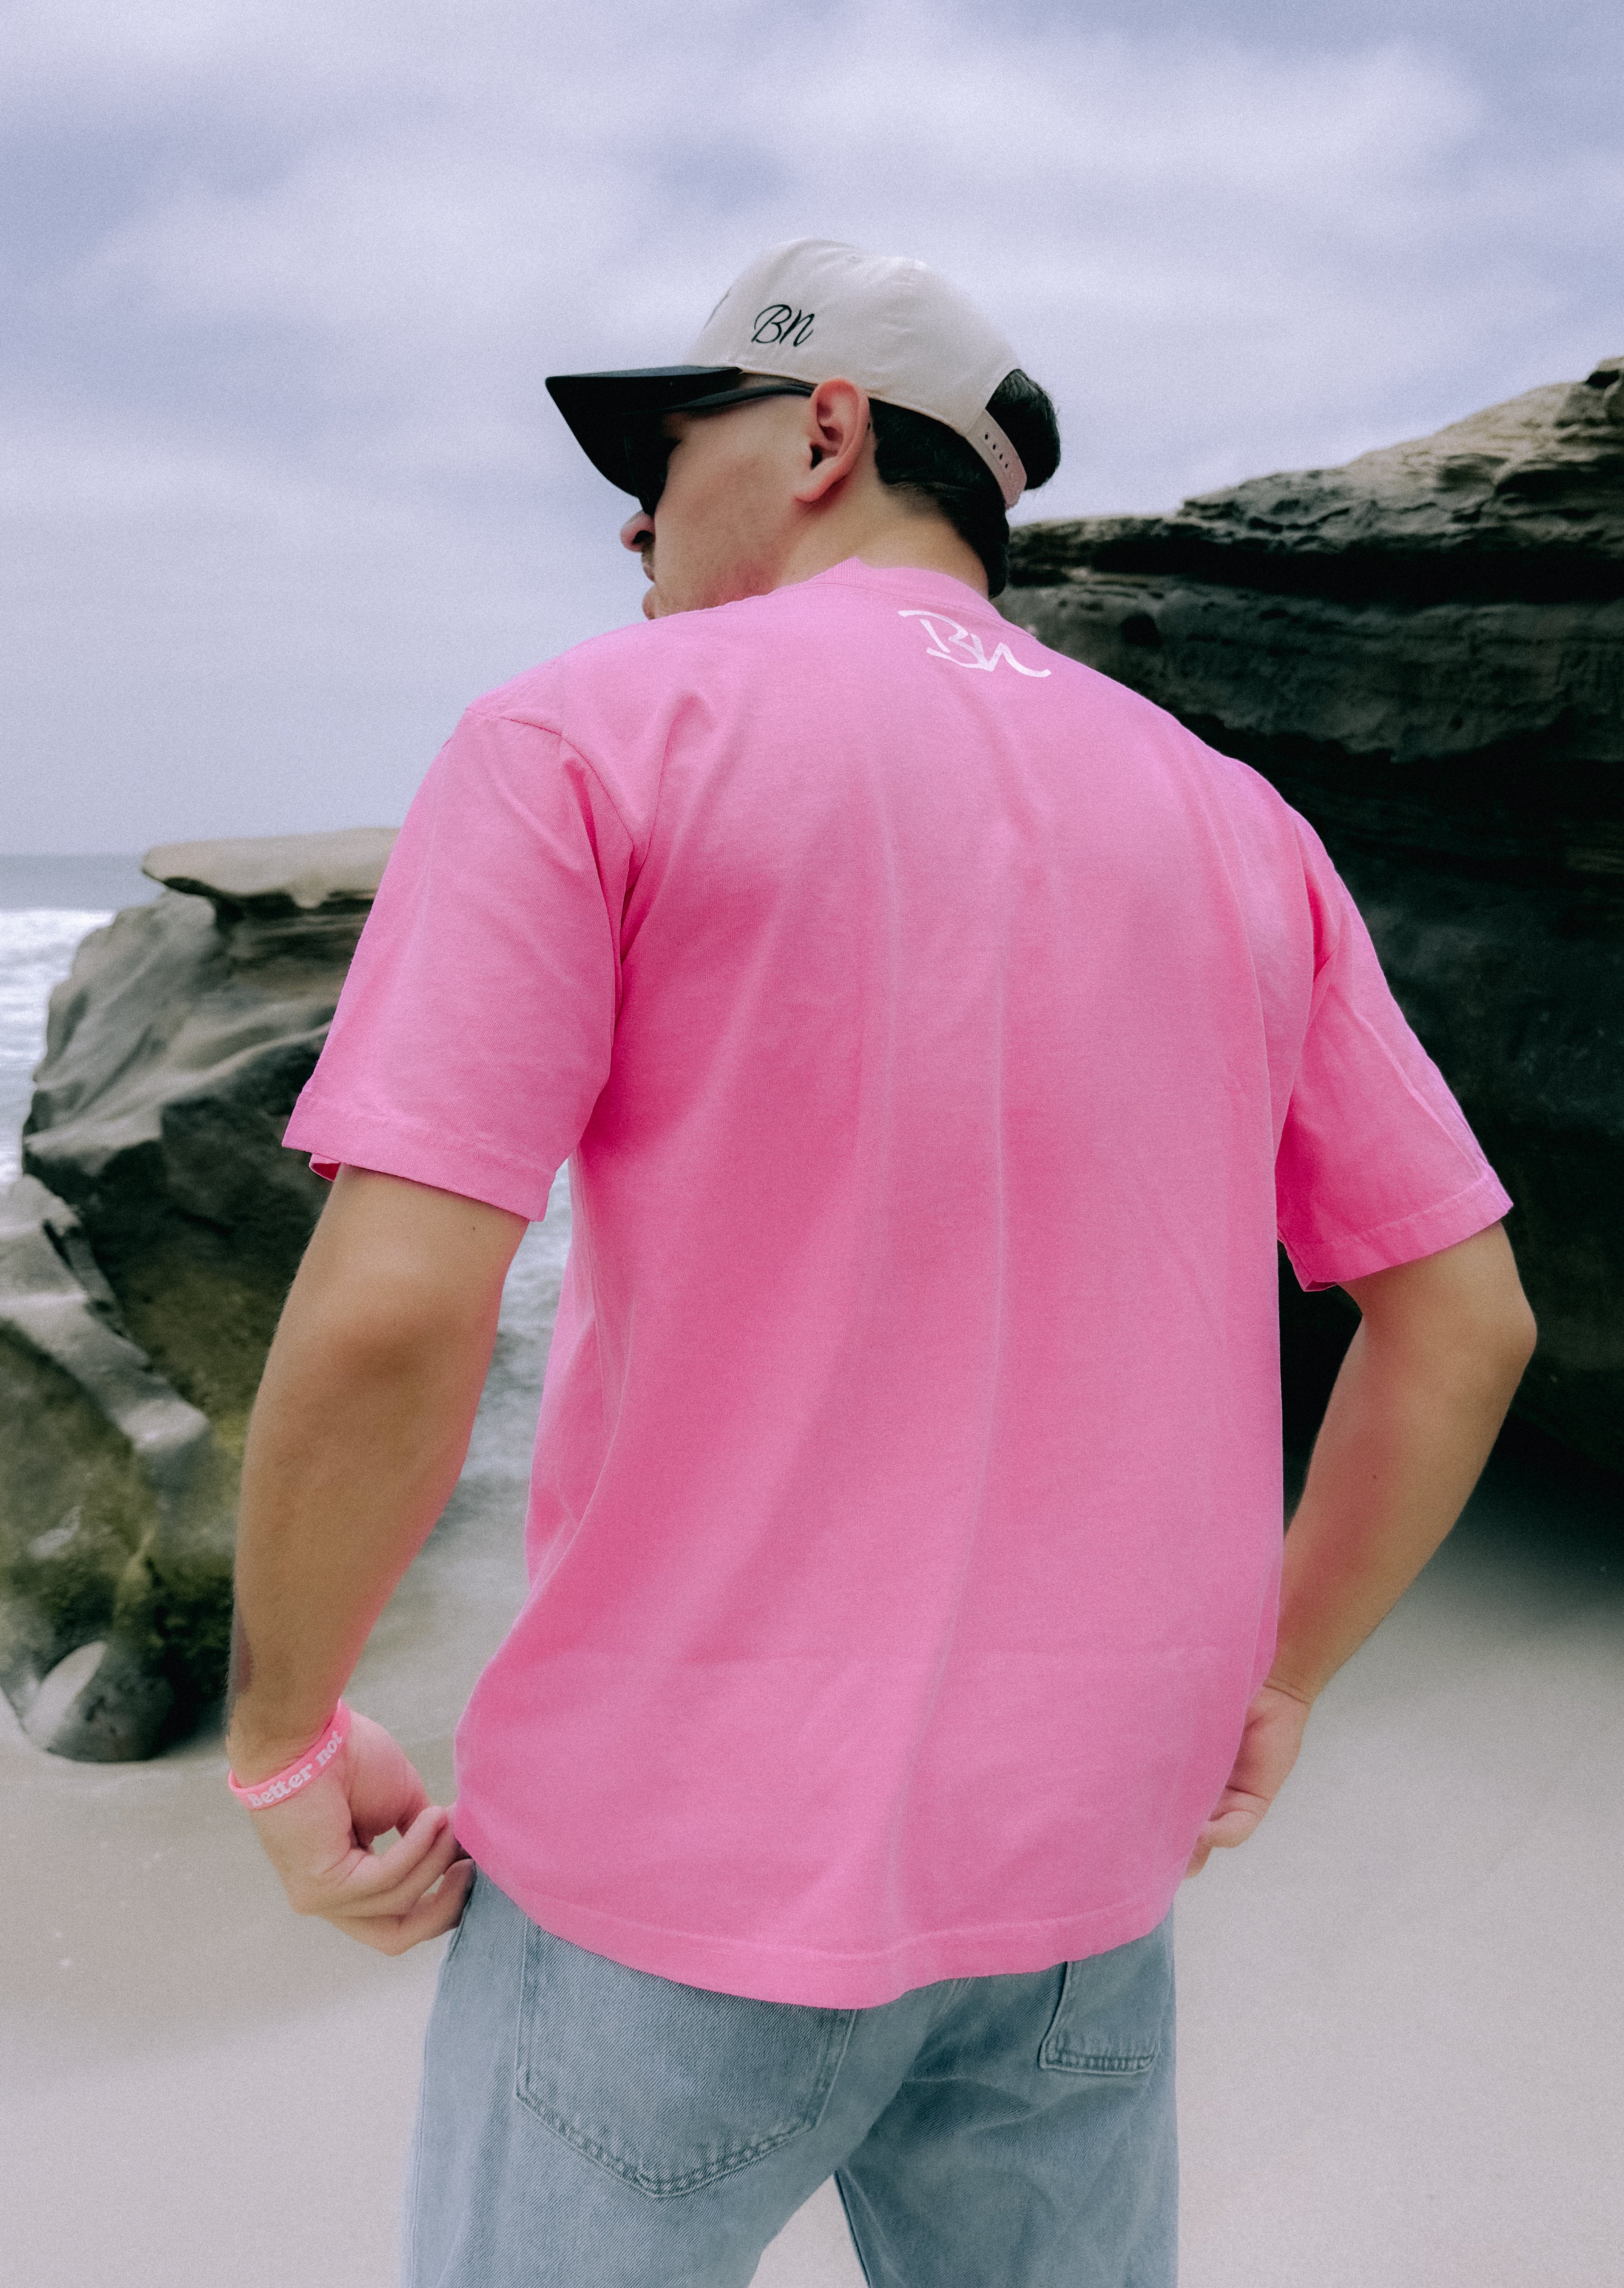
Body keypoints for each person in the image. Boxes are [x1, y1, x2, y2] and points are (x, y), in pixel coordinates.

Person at [224, 239, 1536, 2288]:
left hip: (669, 1890)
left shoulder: (584, 736)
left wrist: (286, 1737)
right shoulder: (1231, 820)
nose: (633, 516)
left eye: (669, 450)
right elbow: (1461, 1315)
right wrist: (1272, 1676)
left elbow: (398, 1306)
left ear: (825, 429)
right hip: (1082, 1893)